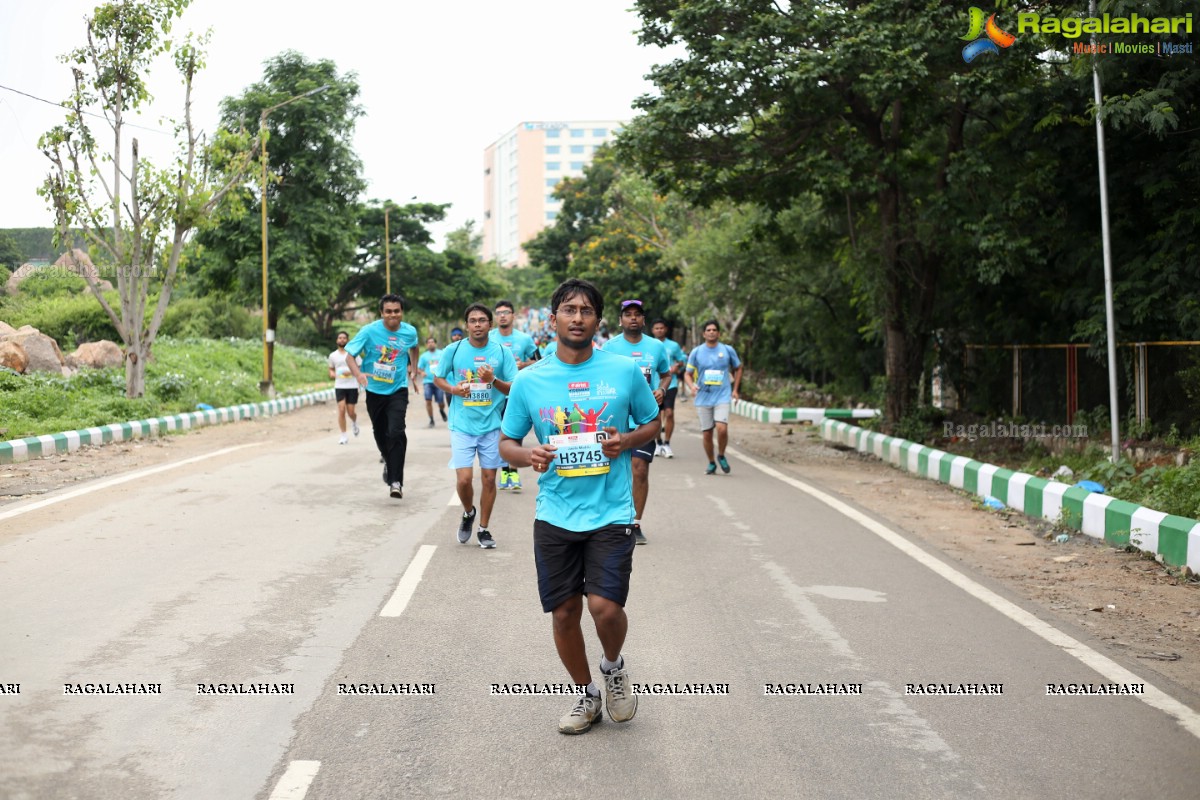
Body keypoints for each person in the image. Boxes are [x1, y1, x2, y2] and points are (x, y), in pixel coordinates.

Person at [500, 278, 660, 735]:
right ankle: (585, 694)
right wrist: (527, 455)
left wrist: (626, 440)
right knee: (565, 612)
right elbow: (506, 441)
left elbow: (650, 422)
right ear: (552, 320)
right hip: (554, 513)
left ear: (597, 321)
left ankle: (613, 667)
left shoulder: (624, 371)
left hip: (611, 511)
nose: (577, 318)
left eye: (586, 311)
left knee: (604, 608)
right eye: (568, 310)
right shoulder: (530, 380)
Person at [434, 304, 516, 549]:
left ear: (490, 325)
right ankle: (469, 512)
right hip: (462, 425)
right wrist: (452, 389)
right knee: (464, 480)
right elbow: (438, 377)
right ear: (467, 325)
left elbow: (514, 387)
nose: (478, 324)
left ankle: (484, 529)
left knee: (490, 479)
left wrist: (493, 380)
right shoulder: (454, 349)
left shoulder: (502, 352)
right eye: (473, 320)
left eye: (482, 320)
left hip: (492, 426)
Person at [601, 300, 671, 545]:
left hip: (645, 419)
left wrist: (662, 389)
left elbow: (666, 373)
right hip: (616, 418)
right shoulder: (609, 347)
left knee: (640, 469)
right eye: (628, 314)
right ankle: (613, 519)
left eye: (637, 315)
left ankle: (635, 522)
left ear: (643, 320)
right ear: (620, 320)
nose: (633, 318)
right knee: (614, 471)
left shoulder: (656, 347)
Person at [344, 294, 420, 499]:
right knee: (380, 432)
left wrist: (413, 369)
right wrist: (358, 374)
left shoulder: (409, 331)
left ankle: (396, 481)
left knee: (396, 430)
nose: (393, 315)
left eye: (396, 311)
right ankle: (388, 460)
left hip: (398, 389)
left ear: (401, 312)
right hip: (374, 390)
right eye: (388, 311)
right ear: (382, 313)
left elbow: (414, 347)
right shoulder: (369, 331)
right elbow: (349, 356)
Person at [489, 299, 539, 491]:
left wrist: (523, 365)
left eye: (506, 312)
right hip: (494, 394)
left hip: (516, 393)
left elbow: (537, 362)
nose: (502, 315)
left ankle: (512, 472)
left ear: (513, 315)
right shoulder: (490, 338)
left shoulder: (524, 339)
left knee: (514, 433)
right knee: (499, 434)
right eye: (499, 312)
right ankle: (505, 472)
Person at [684, 319, 742, 475]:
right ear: (703, 334)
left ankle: (721, 455)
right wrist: (692, 386)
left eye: (714, 330)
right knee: (707, 433)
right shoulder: (696, 352)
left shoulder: (727, 350)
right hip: (703, 397)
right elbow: (687, 374)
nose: (711, 332)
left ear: (719, 333)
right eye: (708, 330)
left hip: (722, 395)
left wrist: (735, 390)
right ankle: (711, 462)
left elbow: (738, 367)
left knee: (722, 429)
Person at [651, 319, 686, 458]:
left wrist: (677, 367)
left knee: (669, 413)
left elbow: (682, 360)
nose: (659, 330)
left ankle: (667, 443)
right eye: (656, 328)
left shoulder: (673, 345)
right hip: (653, 385)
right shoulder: (649, 345)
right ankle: (658, 443)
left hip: (670, 383)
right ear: (653, 330)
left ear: (665, 329)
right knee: (656, 416)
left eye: (661, 328)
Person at [327, 330, 361, 445]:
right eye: (340, 338)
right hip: (339, 385)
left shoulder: (353, 353)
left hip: (352, 385)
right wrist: (331, 373)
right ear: (337, 340)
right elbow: (331, 369)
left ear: (347, 340)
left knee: (351, 412)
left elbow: (360, 368)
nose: (342, 340)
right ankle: (343, 435)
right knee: (341, 410)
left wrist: (352, 372)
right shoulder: (333, 355)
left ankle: (354, 422)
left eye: (344, 338)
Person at [417, 337, 448, 428]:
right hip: (428, 382)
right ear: (427, 344)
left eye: (432, 342)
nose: (431, 344)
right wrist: (421, 372)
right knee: (428, 401)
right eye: (429, 342)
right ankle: (431, 420)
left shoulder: (441, 353)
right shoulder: (424, 356)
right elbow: (419, 368)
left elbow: (446, 364)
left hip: (439, 381)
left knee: (441, 402)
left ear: (435, 343)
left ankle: (442, 410)